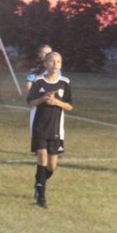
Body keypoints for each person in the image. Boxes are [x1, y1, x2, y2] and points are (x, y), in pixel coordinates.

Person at [26, 51, 72, 208]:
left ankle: (39, 182)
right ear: (46, 64)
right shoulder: (38, 82)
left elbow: (69, 105)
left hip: (56, 129)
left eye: (58, 62)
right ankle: (41, 198)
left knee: (52, 166)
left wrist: (56, 102)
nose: (55, 64)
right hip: (39, 127)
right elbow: (30, 102)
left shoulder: (64, 83)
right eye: (52, 61)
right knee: (41, 157)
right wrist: (43, 99)